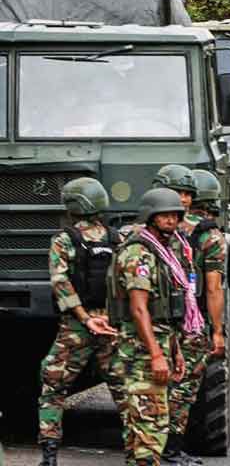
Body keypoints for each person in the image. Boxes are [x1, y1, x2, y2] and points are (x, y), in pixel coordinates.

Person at [37, 178, 126, 466]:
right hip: (112, 324)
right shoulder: (117, 238)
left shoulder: (64, 240)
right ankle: (143, 451)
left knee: (53, 387)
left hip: (77, 326)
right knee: (125, 389)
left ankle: (49, 455)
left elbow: (60, 283)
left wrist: (85, 318)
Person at [109, 188, 192, 466]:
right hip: (140, 352)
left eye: (174, 215)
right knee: (151, 426)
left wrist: (174, 351)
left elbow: (164, 313)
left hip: (157, 344)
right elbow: (139, 308)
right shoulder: (139, 254)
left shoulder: (162, 252)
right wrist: (156, 354)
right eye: (164, 215)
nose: (171, 220)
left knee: (140, 431)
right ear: (150, 217)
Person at [165, 169, 228, 465]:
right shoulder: (209, 234)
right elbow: (214, 289)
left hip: (149, 320)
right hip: (190, 320)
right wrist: (218, 331)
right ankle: (172, 449)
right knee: (184, 385)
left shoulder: (139, 230)